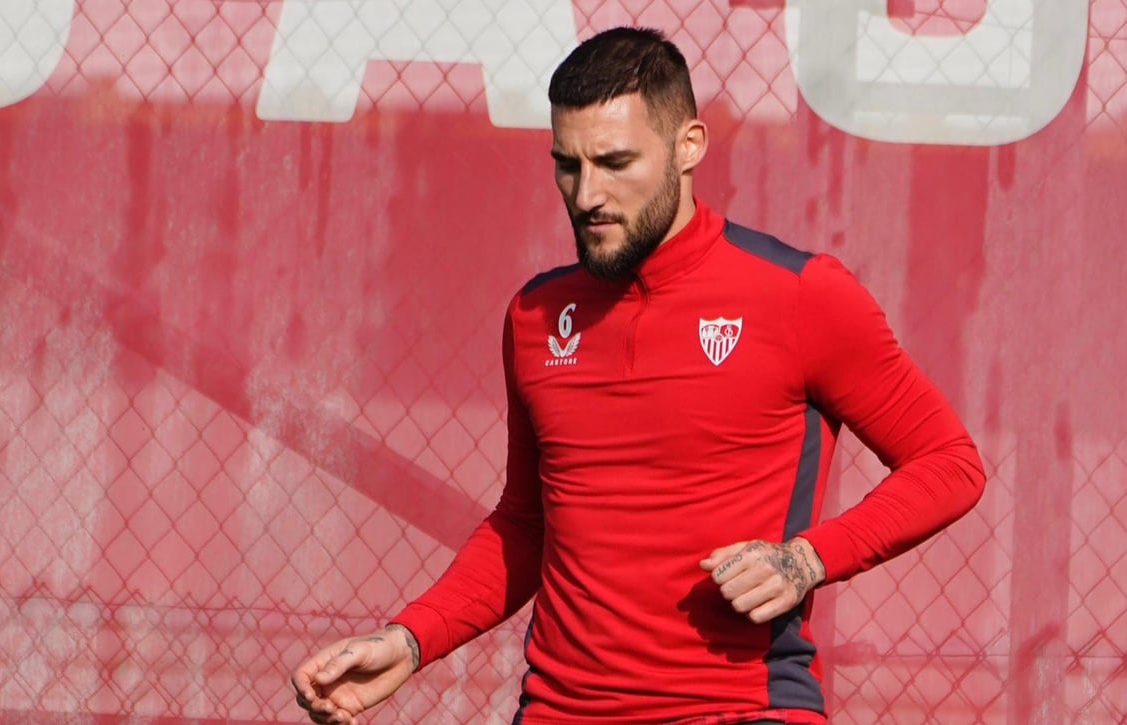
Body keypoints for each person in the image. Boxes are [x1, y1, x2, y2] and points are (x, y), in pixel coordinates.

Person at [291, 26, 985, 725]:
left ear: (689, 146)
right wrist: (411, 640)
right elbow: (526, 524)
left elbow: (950, 463)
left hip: (741, 708)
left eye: (615, 161)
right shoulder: (537, 315)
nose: (587, 193)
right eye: (568, 164)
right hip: (559, 711)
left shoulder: (802, 295)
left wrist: (807, 559)